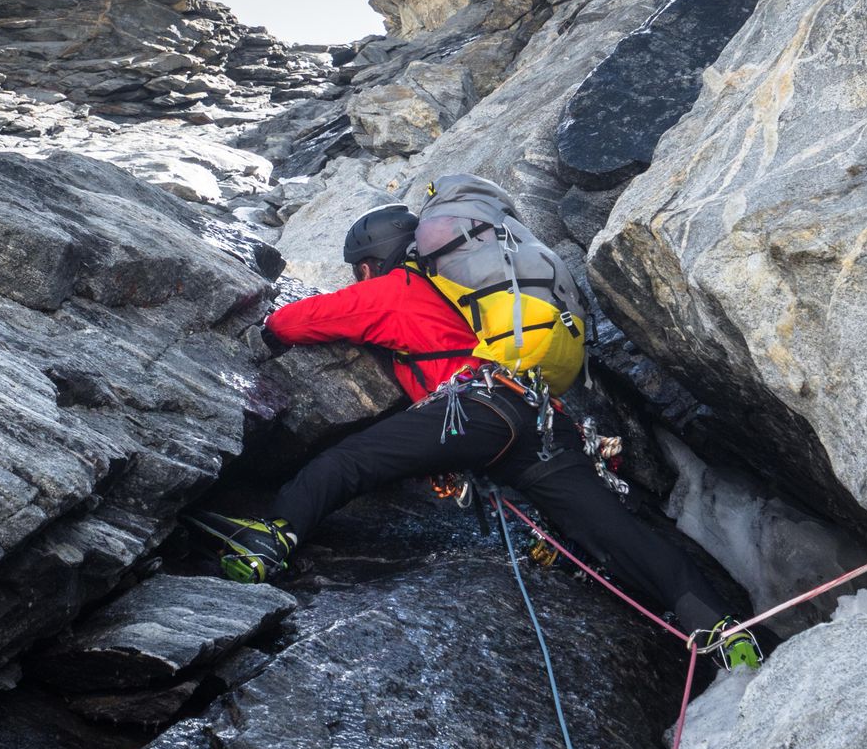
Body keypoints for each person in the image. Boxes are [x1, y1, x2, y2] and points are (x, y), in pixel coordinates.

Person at [197, 204, 731, 634]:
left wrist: (263, 335)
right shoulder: (469, 296)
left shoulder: (395, 288)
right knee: (614, 533)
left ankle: (273, 539)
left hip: (471, 411)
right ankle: (723, 627)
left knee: (348, 461)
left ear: (371, 262)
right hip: (540, 418)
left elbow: (298, 320)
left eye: (358, 270)